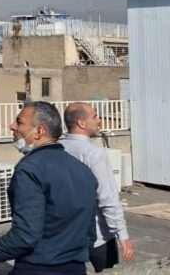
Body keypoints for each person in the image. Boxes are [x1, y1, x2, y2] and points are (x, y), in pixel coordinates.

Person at [0, 101, 98, 275]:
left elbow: (25, 235)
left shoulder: (30, 169)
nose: (12, 126)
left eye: (19, 122)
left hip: (38, 268)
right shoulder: (83, 171)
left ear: (39, 131)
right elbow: (90, 232)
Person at [62, 102, 135, 272]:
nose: (99, 120)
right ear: (81, 123)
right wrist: (122, 235)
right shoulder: (93, 153)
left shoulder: (59, 148)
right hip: (98, 235)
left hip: (66, 234)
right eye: (95, 116)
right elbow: (107, 197)